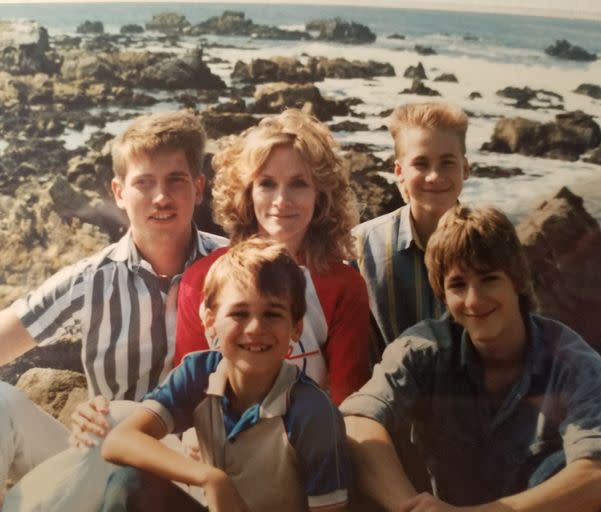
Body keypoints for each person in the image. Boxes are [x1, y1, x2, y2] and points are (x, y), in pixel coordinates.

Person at [0, 110, 227, 508]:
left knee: (120, 418)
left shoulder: (233, 269)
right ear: (120, 192)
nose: (161, 197)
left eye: (176, 180)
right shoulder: (91, 278)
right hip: (97, 460)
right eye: (144, 183)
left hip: (194, 464)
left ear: (199, 187)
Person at [341, 204, 601, 512]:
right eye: (458, 285)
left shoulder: (571, 361)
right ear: (442, 294)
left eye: (489, 279)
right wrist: (407, 506)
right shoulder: (422, 350)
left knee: (571, 476)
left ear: (516, 281)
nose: (474, 300)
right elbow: (357, 420)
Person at [100, 238, 351, 512]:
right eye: (239, 314)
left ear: (296, 328)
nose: (255, 327)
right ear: (210, 322)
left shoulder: (312, 412)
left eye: (272, 314)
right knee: (131, 484)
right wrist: (210, 478)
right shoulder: (199, 373)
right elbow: (118, 440)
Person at [175, 108, 370, 405]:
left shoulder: (344, 287)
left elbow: (349, 403)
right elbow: (187, 396)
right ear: (246, 193)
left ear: (320, 195)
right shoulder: (200, 280)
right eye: (267, 183)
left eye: (299, 183)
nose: (282, 200)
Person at [353, 101, 470, 353]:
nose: (434, 176)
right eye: (421, 163)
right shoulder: (361, 248)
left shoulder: (490, 244)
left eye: (447, 163)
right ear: (399, 171)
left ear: (466, 168)